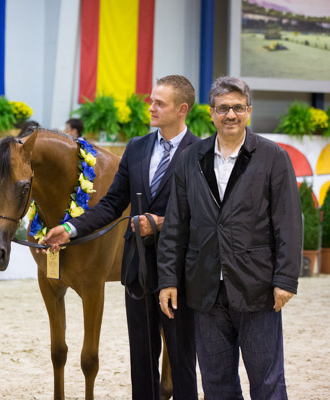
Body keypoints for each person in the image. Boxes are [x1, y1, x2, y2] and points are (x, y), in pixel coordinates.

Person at [41, 75, 199, 399]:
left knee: (181, 357)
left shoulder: (201, 154)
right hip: (137, 267)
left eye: (160, 103)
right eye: (152, 100)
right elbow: (112, 204)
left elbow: (209, 218)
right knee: (141, 358)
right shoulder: (137, 148)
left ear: (182, 109)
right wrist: (70, 229)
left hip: (182, 269)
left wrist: (161, 223)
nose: (151, 107)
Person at [157, 76, 301, 399]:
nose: (230, 115)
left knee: (267, 383)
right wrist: (168, 279)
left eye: (237, 107)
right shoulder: (191, 158)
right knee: (216, 385)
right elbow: (176, 224)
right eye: (223, 108)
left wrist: (285, 280)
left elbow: (289, 222)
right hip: (205, 290)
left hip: (257, 288)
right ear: (211, 113)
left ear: (249, 111)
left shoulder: (273, 157)